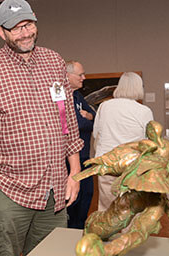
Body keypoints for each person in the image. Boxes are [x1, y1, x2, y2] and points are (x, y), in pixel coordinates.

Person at [0, 0, 83, 256]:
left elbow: (67, 121)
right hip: (10, 191)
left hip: (55, 191)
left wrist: (74, 170)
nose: (25, 33)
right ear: (1, 31)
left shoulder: (54, 62)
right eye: (16, 28)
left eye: (29, 24)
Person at [93, 72, 153, 211]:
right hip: (131, 166)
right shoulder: (144, 111)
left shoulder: (104, 107)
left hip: (107, 163)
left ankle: (107, 233)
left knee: (107, 209)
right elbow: (149, 141)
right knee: (131, 209)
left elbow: (97, 134)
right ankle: (128, 233)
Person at [66, 60, 95, 229]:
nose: (84, 77)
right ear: (67, 75)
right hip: (67, 160)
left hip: (84, 157)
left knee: (86, 196)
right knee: (71, 201)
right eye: (80, 74)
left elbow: (94, 119)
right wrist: (85, 119)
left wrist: (88, 117)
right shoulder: (60, 97)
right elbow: (72, 125)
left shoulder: (78, 96)